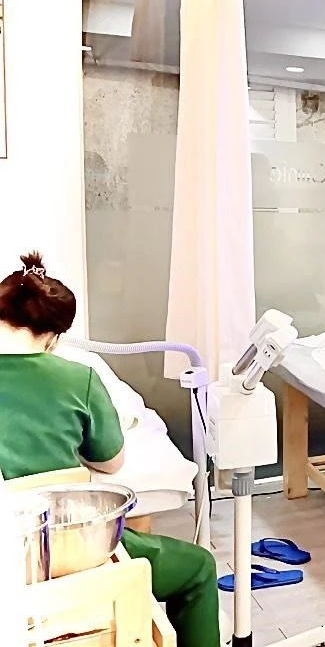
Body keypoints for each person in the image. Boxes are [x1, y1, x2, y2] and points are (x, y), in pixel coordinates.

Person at [0, 253, 220, 647]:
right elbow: (111, 461)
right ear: (53, 337)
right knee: (198, 566)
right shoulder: (76, 377)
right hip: (60, 555)